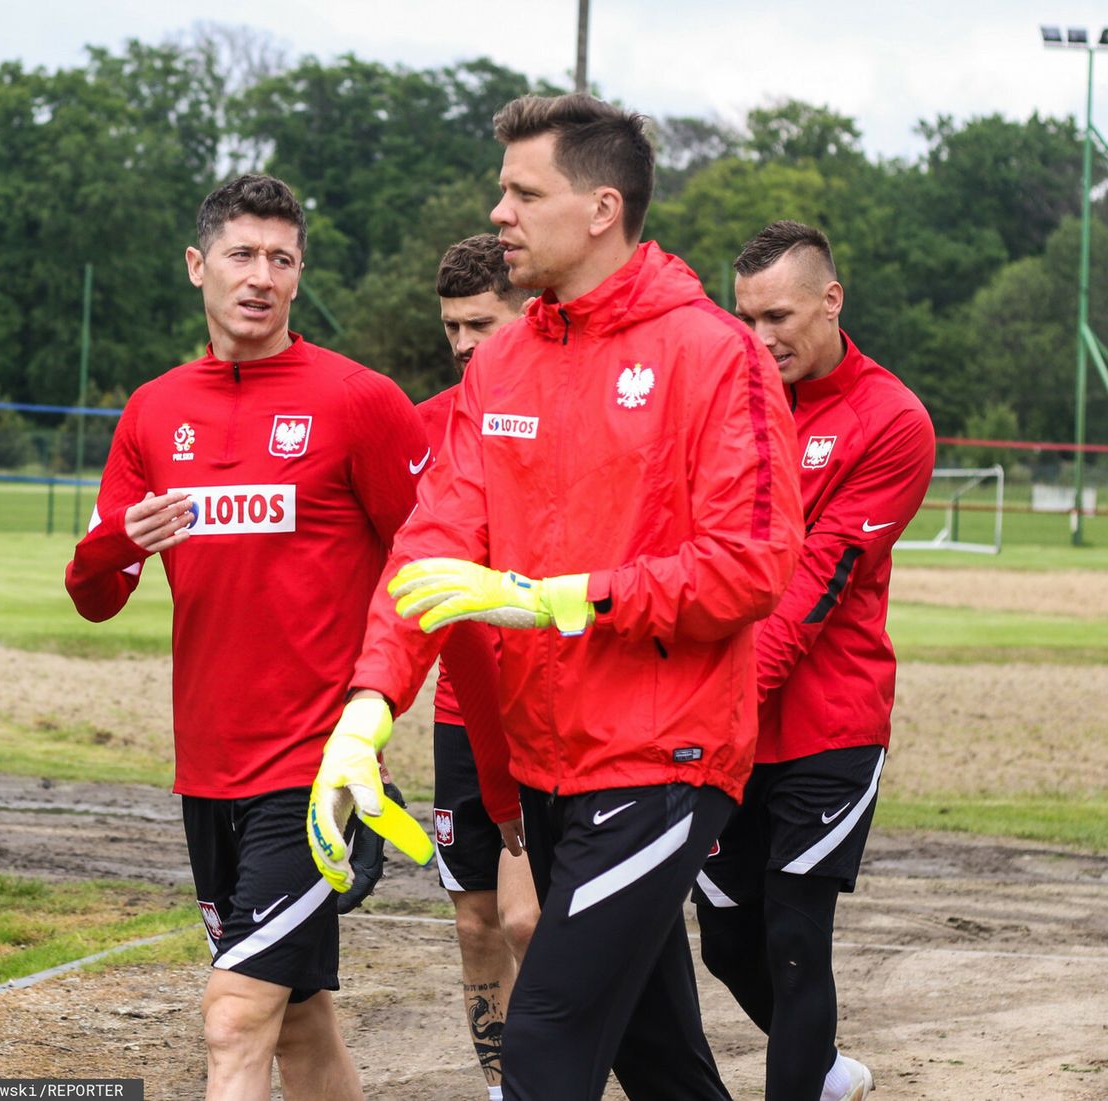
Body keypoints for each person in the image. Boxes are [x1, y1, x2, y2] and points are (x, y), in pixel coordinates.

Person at [306, 94, 804, 1101]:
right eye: (501, 189)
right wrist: (363, 716)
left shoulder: (714, 356)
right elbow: (432, 547)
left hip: (664, 762)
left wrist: (552, 599)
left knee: (543, 1041)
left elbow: (749, 563)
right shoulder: (503, 362)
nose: (498, 211)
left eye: (522, 191)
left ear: (600, 209)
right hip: (545, 772)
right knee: (659, 1061)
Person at [65, 174, 427, 1101]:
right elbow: (96, 593)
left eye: (282, 258)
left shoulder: (361, 401)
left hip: (314, 771)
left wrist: (377, 717)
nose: (260, 275)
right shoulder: (152, 410)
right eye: (241, 254)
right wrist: (117, 539)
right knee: (299, 1021)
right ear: (198, 266)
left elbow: (426, 563)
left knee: (234, 1016)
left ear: (299, 275)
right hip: (208, 766)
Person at [693, 220, 935, 1101]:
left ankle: (802, 1075)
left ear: (831, 301)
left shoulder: (892, 420)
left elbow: (813, 588)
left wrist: (717, 698)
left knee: (797, 938)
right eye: (745, 315)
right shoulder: (726, 399)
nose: (760, 337)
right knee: (724, 936)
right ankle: (824, 1069)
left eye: (780, 315)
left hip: (827, 726)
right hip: (724, 726)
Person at [427, 234, 540, 1100]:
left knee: (531, 918)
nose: (464, 344)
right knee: (475, 923)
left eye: (481, 323)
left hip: (552, 709)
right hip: (465, 714)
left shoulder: (565, 414)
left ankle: (560, 1075)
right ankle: (507, 1086)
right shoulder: (428, 424)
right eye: (452, 328)